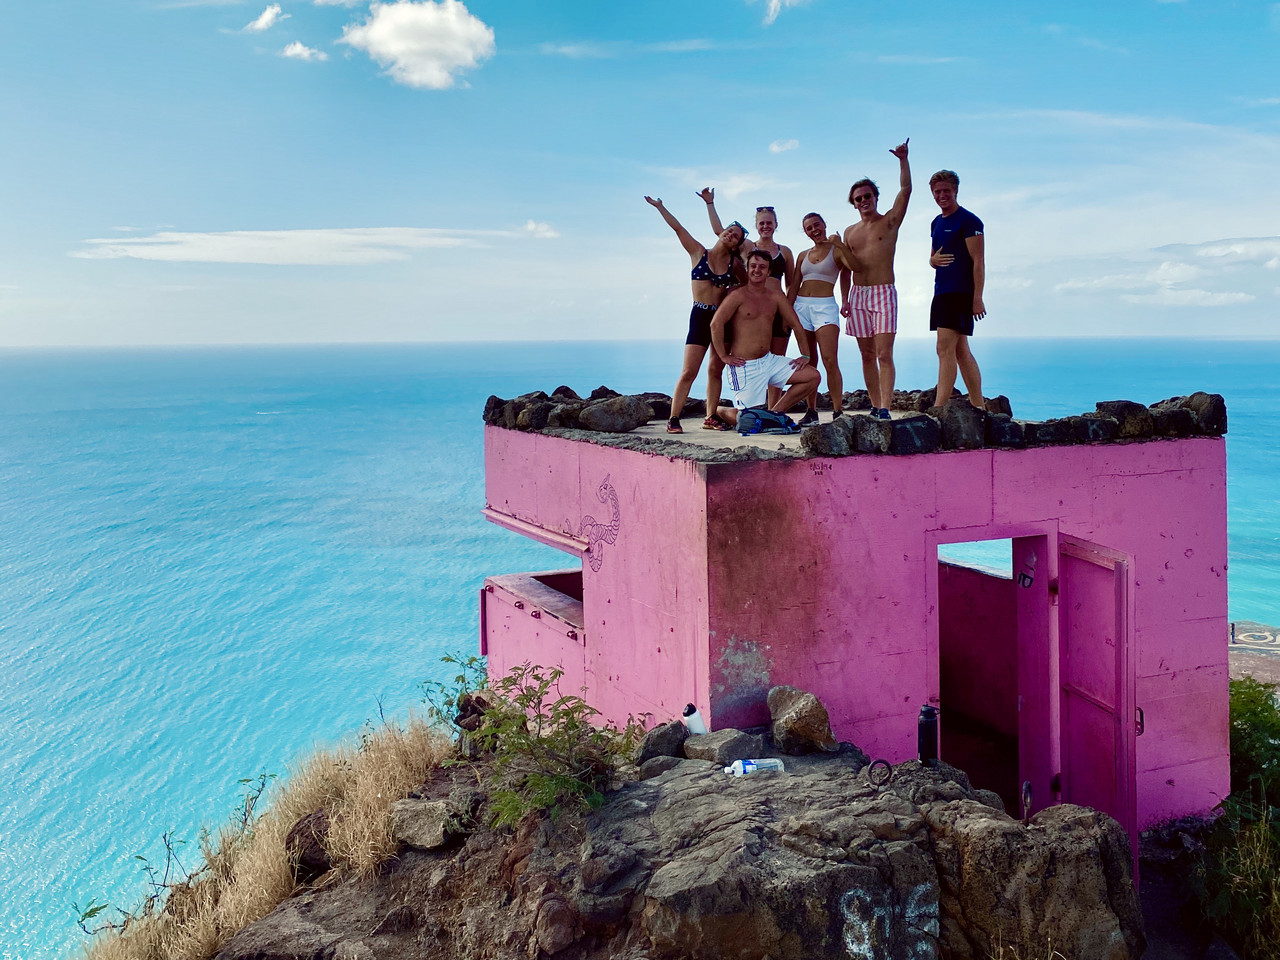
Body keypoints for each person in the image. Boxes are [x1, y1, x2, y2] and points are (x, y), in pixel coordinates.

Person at [644, 195, 748, 433]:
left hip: (721, 320)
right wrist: (661, 206)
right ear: (722, 234)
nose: (730, 235)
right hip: (699, 316)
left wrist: (731, 294)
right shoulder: (698, 252)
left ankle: (711, 417)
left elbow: (744, 285)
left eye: (735, 236)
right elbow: (678, 228)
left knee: (715, 369)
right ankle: (674, 418)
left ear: (735, 244)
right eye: (729, 231)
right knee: (689, 370)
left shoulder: (735, 265)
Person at [840, 139, 911, 420]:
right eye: (858, 198)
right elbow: (845, 269)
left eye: (867, 196)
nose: (864, 201)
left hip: (883, 292)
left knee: (884, 354)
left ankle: (885, 407)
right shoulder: (849, 232)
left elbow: (905, 191)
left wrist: (903, 160)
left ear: (875, 197)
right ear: (854, 203)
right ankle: (874, 404)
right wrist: (844, 298)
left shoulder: (890, 221)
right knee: (866, 355)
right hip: (858, 294)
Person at [709, 249, 818, 425]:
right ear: (747, 269)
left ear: (769, 272)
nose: (757, 270)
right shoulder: (738, 295)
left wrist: (805, 355)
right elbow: (716, 324)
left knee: (813, 376)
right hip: (745, 366)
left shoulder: (775, 297)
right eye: (753, 266)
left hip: (769, 361)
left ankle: (774, 414)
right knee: (747, 421)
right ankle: (720, 411)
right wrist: (723, 356)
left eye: (762, 267)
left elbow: (796, 325)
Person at [700, 190, 795, 360]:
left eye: (769, 223)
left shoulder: (785, 251)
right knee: (753, 355)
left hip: (779, 308)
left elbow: (791, 285)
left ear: (776, 225)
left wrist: (789, 313)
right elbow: (720, 232)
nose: (765, 226)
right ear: (757, 226)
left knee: (778, 359)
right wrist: (710, 204)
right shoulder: (749, 247)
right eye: (762, 223)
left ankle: (775, 389)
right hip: (753, 308)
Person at [791, 213, 859, 424]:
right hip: (801, 307)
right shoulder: (803, 255)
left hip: (825, 307)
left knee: (830, 360)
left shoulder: (836, 250)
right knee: (809, 361)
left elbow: (852, 269)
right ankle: (812, 412)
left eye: (817, 225)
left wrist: (839, 244)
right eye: (809, 228)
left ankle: (838, 412)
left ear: (824, 224)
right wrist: (786, 312)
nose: (814, 230)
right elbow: (794, 285)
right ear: (806, 232)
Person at [927, 170, 985, 410]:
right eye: (937, 191)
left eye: (946, 191)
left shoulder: (969, 221)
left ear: (955, 190)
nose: (942, 195)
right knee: (960, 350)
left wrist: (977, 298)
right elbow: (933, 257)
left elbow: (979, 261)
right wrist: (932, 262)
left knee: (943, 348)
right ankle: (979, 406)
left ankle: (940, 407)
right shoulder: (936, 222)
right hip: (941, 291)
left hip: (959, 292)